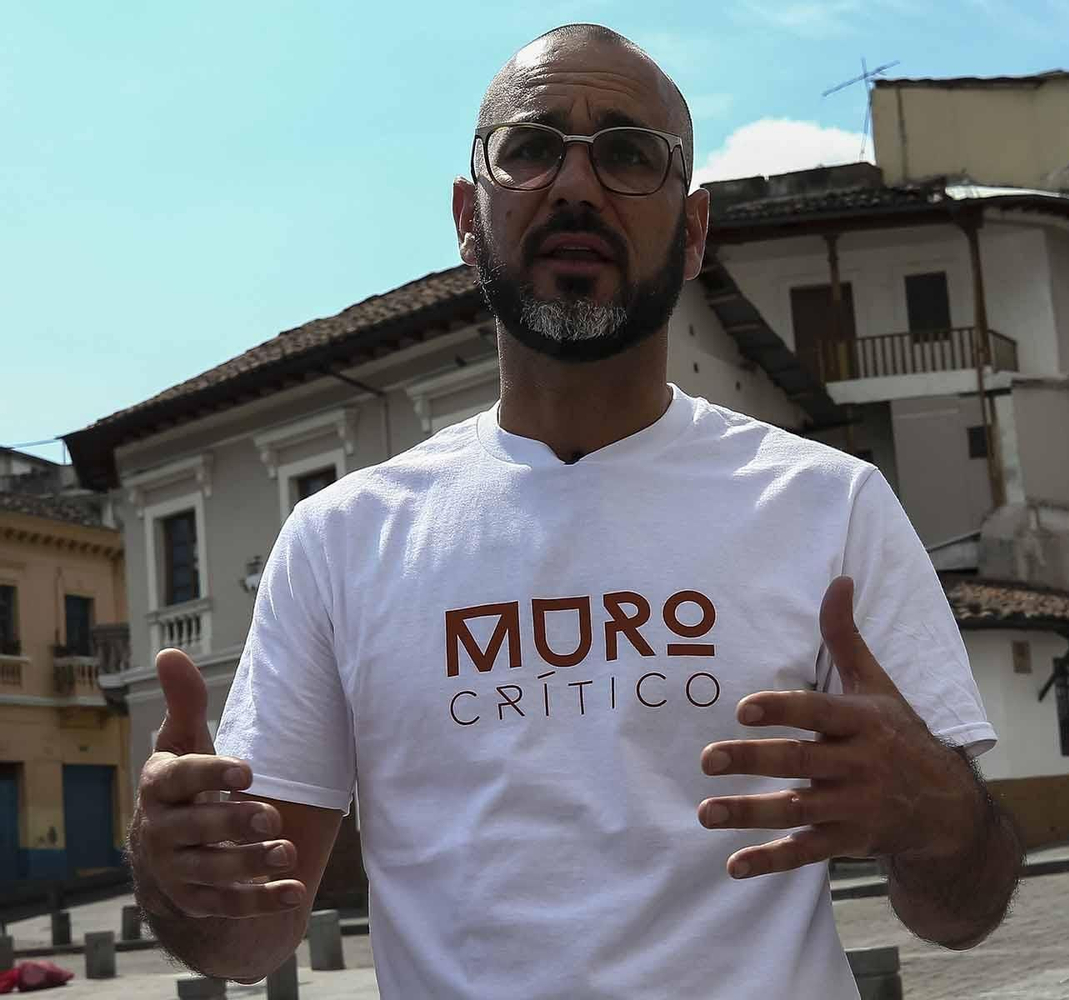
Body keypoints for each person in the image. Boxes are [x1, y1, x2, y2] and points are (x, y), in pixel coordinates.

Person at [126, 23, 1023, 998]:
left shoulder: (828, 503)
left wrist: (941, 817)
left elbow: (959, 910)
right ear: (469, 218)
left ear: (690, 233)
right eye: (532, 147)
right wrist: (176, 875)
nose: (577, 185)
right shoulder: (340, 541)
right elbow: (247, 941)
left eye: (630, 154)